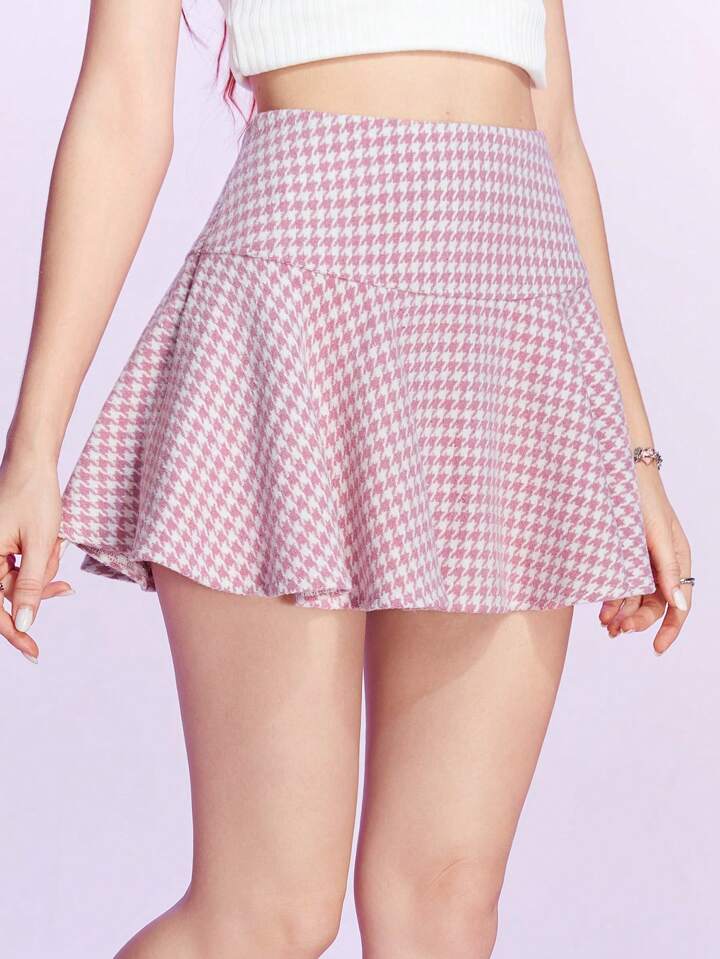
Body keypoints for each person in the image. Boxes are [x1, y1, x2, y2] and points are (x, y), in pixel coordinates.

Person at [0, 1, 694, 956]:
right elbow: (122, 107)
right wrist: (32, 447)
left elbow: (559, 135)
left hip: (515, 308)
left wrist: (636, 457)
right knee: (266, 913)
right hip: (298, 304)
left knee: (444, 902)